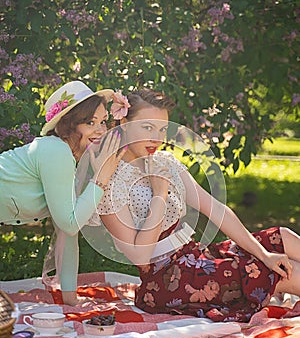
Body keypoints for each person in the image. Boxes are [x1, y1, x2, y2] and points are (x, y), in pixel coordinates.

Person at [98, 88, 300, 322]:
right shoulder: (110, 182)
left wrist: (264, 254)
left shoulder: (164, 162)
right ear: (123, 122)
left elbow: (216, 209)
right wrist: (160, 195)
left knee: (282, 238)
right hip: (168, 283)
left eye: (162, 129)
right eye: (147, 127)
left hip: (195, 257)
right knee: (282, 274)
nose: (157, 137)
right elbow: (140, 257)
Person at [0, 80, 126, 306]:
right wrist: (102, 176)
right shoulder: (55, 150)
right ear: (69, 126)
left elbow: (68, 234)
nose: (100, 130)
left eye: (103, 122)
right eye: (90, 122)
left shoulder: (67, 157)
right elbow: (70, 224)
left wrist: (71, 302)